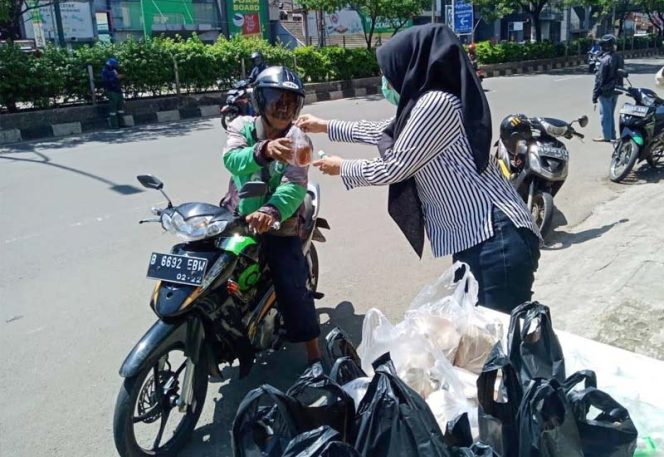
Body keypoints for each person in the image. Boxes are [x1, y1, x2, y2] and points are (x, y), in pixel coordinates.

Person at [298, 24, 541, 313]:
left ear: (412, 63)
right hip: (479, 237)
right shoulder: (426, 103)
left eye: (388, 71)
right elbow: (388, 132)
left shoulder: (435, 103)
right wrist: (326, 126)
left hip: (493, 236)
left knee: (497, 343)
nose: (385, 79)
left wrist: (343, 167)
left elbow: (397, 165)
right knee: (483, 340)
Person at [220, 66, 322, 363]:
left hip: (281, 220)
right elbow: (232, 160)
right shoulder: (241, 127)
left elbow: (295, 185)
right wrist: (263, 150)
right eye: (277, 100)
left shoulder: (300, 140)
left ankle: (314, 353)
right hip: (239, 210)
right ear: (260, 101)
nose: (283, 109)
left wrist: (271, 210)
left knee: (291, 283)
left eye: (291, 103)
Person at [593, 34, 624, 142]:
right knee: (610, 113)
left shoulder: (605, 60)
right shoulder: (618, 57)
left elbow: (599, 79)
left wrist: (595, 95)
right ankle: (612, 135)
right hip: (616, 90)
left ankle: (606, 136)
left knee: (605, 115)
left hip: (605, 91)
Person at [101, 57, 125, 129]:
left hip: (118, 90)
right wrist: (116, 78)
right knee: (113, 109)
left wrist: (120, 77)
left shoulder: (114, 70)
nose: (115, 66)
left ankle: (121, 124)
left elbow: (117, 78)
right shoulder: (104, 71)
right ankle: (114, 125)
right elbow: (106, 82)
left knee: (120, 109)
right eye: (114, 65)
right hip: (111, 91)